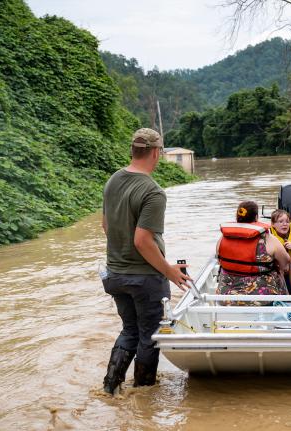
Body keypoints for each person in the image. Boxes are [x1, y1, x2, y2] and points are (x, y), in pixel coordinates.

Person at [100, 128, 192, 395]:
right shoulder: (153, 192)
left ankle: (110, 388)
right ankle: (143, 396)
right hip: (145, 278)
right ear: (156, 153)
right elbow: (143, 241)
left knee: (130, 330)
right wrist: (171, 272)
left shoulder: (113, 181)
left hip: (115, 274)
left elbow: (106, 226)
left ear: (133, 150)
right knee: (150, 337)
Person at [216, 201, 291, 305]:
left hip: (226, 298)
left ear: (237, 217)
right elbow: (285, 263)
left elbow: (219, 261)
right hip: (261, 299)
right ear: (256, 217)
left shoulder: (222, 239)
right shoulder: (268, 239)